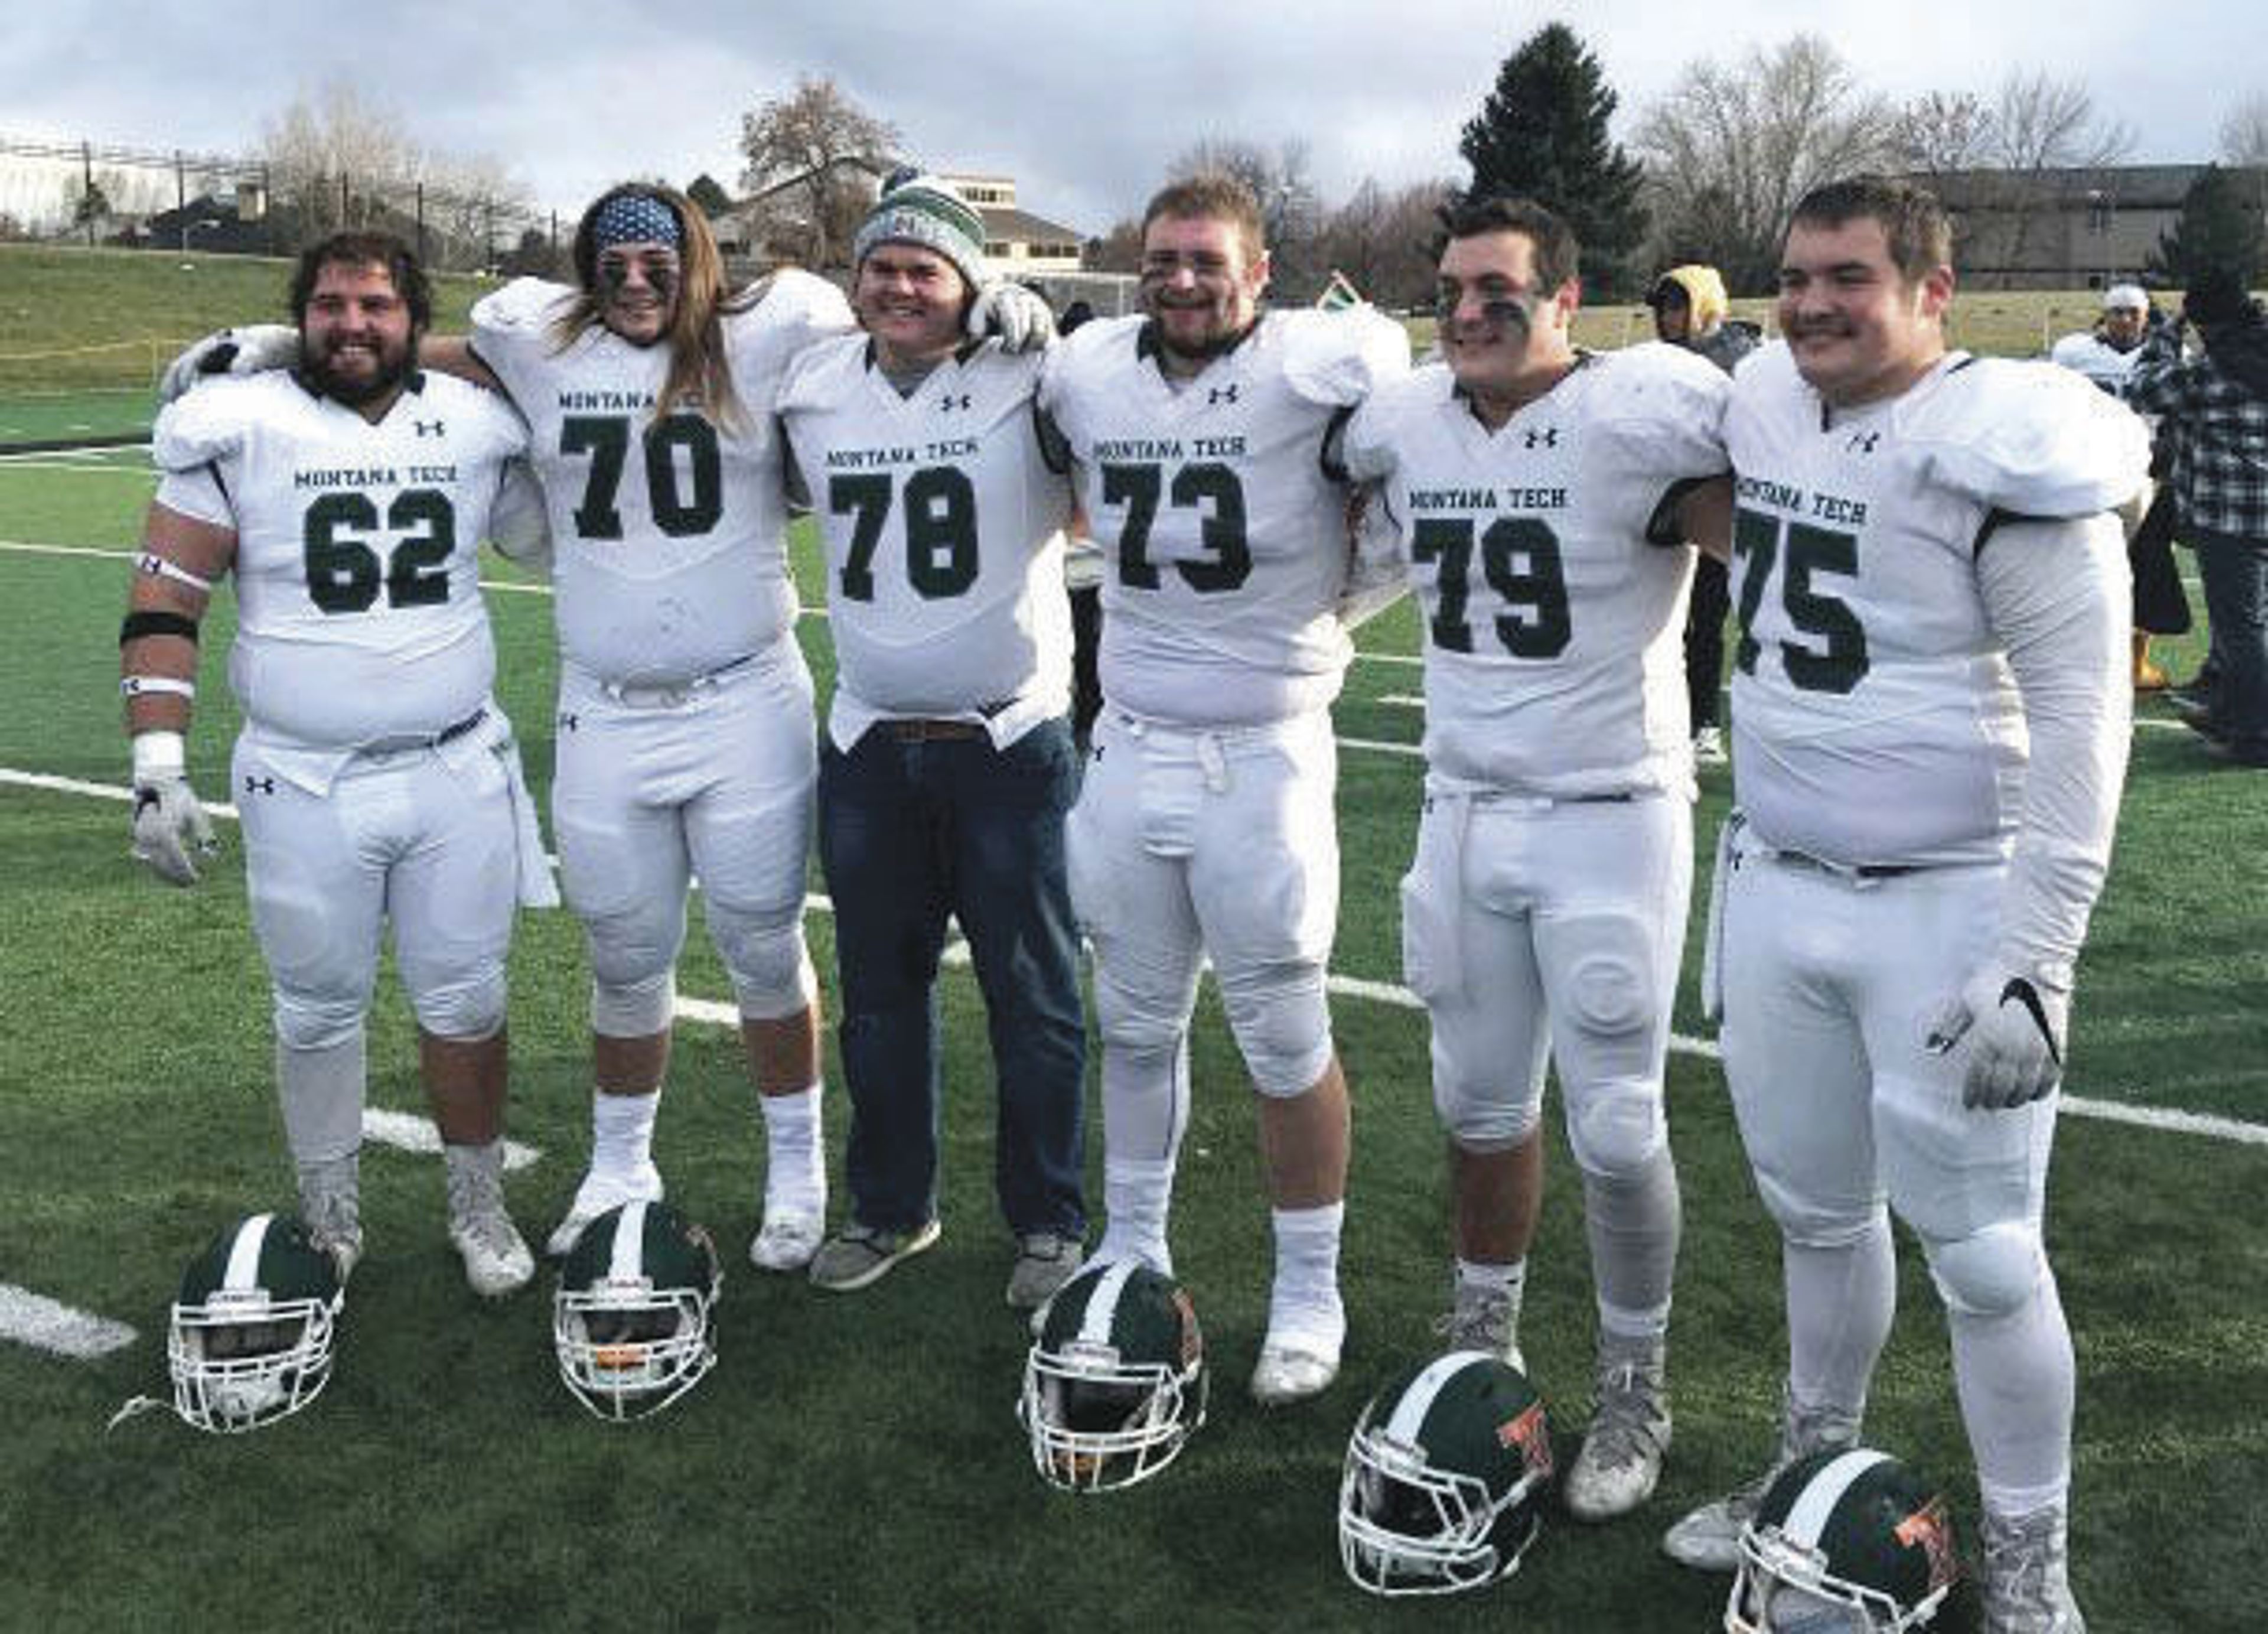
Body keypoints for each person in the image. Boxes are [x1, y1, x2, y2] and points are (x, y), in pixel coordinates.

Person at [1661, 177, 2147, 1634]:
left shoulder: (2009, 442)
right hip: (1779, 879)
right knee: (1812, 1215)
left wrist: (2037, 959)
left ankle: (2025, 1559)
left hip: (1946, 903)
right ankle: (1809, 1470)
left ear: (1931, 293)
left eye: (1850, 278)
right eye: (1796, 275)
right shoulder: (1761, 394)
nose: (1812, 302)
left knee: (1987, 1255)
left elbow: (2081, 727)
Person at [1338, 198, 1733, 1519]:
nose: (1466, 311)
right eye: (1451, 288)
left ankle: (1636, 1382)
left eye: (1498, 289)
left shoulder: (1642, 414)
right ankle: (1484, 1334)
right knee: (1477, 1107)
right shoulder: (1408, 416)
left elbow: (1794, 500)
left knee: (1619, 1126)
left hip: (1610, 806)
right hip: (1461, 807)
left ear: (1567, 300)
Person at [1036, 174, 1410, 1404]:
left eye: (1208, 260)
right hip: (1131, 739)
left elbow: (1399, 436)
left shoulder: (1323, 360)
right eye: (1164, 260)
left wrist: (1338, 612)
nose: (1183, 280)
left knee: (1284, 1035)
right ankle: (1132, 1244)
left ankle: (1311, 1287)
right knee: (1135, 1024)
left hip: (1267, 750)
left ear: (1262, 272)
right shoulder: (1089, 370)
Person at [123, 230, 553, 1297]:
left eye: (375, 306)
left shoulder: (473, 421)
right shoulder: (236, 423)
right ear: (297, 315)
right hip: (304, 778)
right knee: (315, 1006)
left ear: (413, 318)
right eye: (327, 305)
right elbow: (164, 599)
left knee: (468, 1000)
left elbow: (546, 531)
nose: (351, 325)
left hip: (453, 769)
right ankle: (329, 1213)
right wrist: (158, 764)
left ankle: (477, 1200)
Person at [773, 172, 1087, 1307]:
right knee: (880, 1000)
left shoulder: (1035, 371)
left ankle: (1050, 1221)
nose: (901, 286)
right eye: (883, 267)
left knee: (1035, 995)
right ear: (855, 282)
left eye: (928, 268)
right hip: (867, 743)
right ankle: (891, 1208)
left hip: (1007, 742)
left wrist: (1058, 329)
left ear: (970, 283)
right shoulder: (809, 384)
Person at [2125, 269, 2268, 769]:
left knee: (2241, 630)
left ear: (2207, 323)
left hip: (2231, 516)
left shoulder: (2214, 372)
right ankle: (2231, 714)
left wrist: (2166, 335)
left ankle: (2254, 737)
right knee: (2253, 623)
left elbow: (2142, 390)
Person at [1648, 264, 1757, 765]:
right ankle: (1678, 713)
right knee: (1666, 623)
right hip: (1668, 506)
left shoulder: (1741, 362)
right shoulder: (1659, 361)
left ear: (1702, 306)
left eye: (1677, 306)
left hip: (1723, 504)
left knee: (1711, 621)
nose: (1668, 318)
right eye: (1662, 308)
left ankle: (1706, 722)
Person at [2049, 284, 2181, 691]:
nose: (2124, 319)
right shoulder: (2074, 353)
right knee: (2083, 562)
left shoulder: (2169, 357)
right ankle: (2079, 657)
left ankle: (2135, 663)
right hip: (2088, 470)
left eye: (2132, 313)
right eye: (2116, 312)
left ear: (2146, 316)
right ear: (2104, 315)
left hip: (2146, 473)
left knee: (2147, 566)